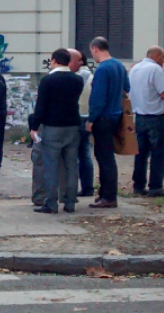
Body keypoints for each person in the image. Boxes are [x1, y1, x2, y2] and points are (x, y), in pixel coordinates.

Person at [30, 49, 84, 214]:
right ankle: (70, 203)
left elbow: (41, 106)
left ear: (53, 61)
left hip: (52, 127)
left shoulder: (48, 80)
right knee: (71, 166)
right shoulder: (78, 80)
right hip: (73, 126)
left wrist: (34, 126)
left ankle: (51, 203)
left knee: (51, 166)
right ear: (68, 62)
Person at [85, 36, 130, 209]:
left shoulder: (102, 69)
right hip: (116, 115)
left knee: (104, 157)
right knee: (107, 156)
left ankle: (109, 196)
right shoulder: (118, 65)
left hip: (103, 117)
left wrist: (91, 119)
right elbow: (127, 87)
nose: (92, 55)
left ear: (95, 49)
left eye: (91, 52)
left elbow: (98, 98)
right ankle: (105, 193)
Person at [128, 46, 164, 198]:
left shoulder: (135, 69)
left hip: (139, 116)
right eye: (163, 56)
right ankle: (155, 186)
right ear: (156, 56)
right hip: (155, 116)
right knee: (158, 153)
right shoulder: (155, 69)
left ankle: (138, 185)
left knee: (141, 153)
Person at [69, 49, 95, 197]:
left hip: (75, 117)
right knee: (85, 153)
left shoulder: (76, 76)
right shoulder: (90, 75)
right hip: (86, 116)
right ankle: (87, 187)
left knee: (71, 154)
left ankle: (71, 188)